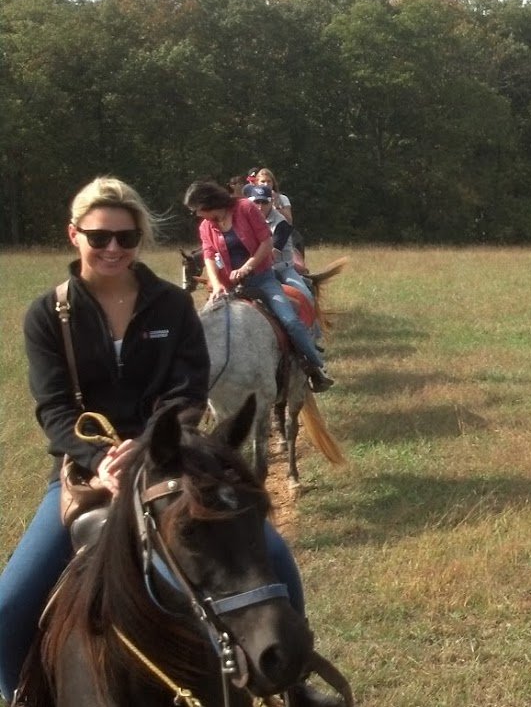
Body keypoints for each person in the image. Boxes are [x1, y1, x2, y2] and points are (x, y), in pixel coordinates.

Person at [0, 177, 339, 707]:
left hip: (171, 460)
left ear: (139, 240)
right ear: (74, 235)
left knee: (273, 555)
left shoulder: (170, 306)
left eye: (127, 238)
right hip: (87, 475)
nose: (113, 248)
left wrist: (145, 446)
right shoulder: (49, 315)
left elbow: (188, 389)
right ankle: (23, 694)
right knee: (7, 609)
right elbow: (54, 408)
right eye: (99, 237)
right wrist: (99, 459)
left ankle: (294, 686)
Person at [184, 180, 332, 393]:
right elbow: (208, 256)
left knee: (290, 321)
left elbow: (267, 242)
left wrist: (247, 267)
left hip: (263, 279)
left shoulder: (245, 208)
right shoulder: (206, 226)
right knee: (202, 328)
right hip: (228, 287)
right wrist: (216, 285)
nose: (197, 215)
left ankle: (315, 367)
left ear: (208, 203)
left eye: (197, 210)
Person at [243, 183, 318, 337]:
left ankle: (313, 333)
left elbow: (272, 253)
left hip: (282, 268)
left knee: (306, 295)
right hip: (256, 269)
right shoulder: (245, 220)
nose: (260, 206)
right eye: (256, 202)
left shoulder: (281, 223)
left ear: (272, 202)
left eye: (264, 202)